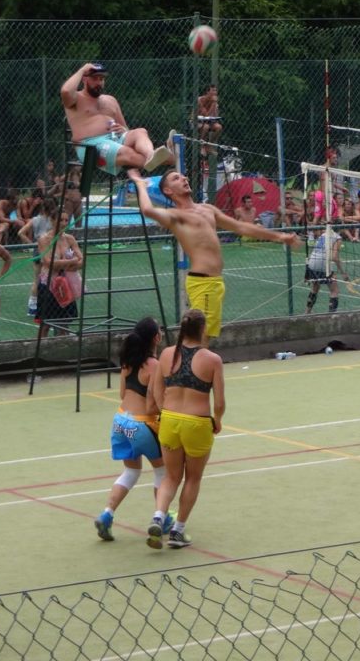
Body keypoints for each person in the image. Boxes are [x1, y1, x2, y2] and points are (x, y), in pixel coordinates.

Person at [129, 169, 300, 342]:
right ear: (168, 191)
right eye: (176, 178)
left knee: (203, 339)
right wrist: (141, 184)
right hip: (203, 282)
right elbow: (148, 210)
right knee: (200, 340)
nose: (184, 178)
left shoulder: (207, 209)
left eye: (183, 176)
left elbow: (241, 227)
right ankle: (189, 367)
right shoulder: (176, 216)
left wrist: (280, 236)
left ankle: (186, 367)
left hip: (214, 283)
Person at [146, 309, 224, 549]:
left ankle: (159, 516)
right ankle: (178, 530)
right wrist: (217, 420)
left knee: (171, 476)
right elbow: (219, 402)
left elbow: (156, 390)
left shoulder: (167, 354)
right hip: (197, 422)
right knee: (192, 477)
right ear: (202, 330)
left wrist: (164, 410)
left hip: (169, 420)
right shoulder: (212, 359)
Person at [95, 317, 170, 542]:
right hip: (141, 424)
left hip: (120, 421)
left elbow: (121, 394)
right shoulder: (155, 365)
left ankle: (107, 514)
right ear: (156, 337)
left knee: (131, 471)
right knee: (162, 472)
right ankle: (161, 517)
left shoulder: (128, 362)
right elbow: (155, 401)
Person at [61, 62, 175, 176]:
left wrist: (123, 129)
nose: (99, 83)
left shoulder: (111, 100)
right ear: (84, 79)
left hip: (115, 139)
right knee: (127, 153)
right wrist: (83, 69)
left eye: (101, 79)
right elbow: (65, 91)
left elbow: (126, 129)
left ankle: (151, 155)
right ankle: (171, 159)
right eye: (95, 79)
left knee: (140, 132)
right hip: (90, 146)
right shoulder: (75, 99)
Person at [35, 210, 83, 339]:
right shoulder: (44, 239)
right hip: (49, 285)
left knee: (65, 323)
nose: (64, 223)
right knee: (45, 324)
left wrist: (68, 263)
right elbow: (48, 262)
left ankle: (63, 349)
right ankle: (39, 352)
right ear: (52, 220)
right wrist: (71, 262)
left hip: (66, 285)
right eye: (60, 220)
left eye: (66, 220)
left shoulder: (70, 239)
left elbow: (81, 261)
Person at [17, 197, 59, 317]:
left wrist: (32, 244)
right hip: (50, 251)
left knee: (37, 279)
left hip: (38, 250)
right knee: (51, 278)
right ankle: (50, 305)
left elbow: (20, 232)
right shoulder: (53, 221)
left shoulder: (35, 220)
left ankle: (32, 307)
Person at [305, 226, 348, 314]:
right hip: (323, 264)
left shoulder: (324, 234)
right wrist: (343, 272)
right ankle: (330, 316)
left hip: (312, 261)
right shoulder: (337, 238)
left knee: (315, 288)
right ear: (341, 228)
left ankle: (307, 312)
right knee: (334, 290)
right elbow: (335, 257)